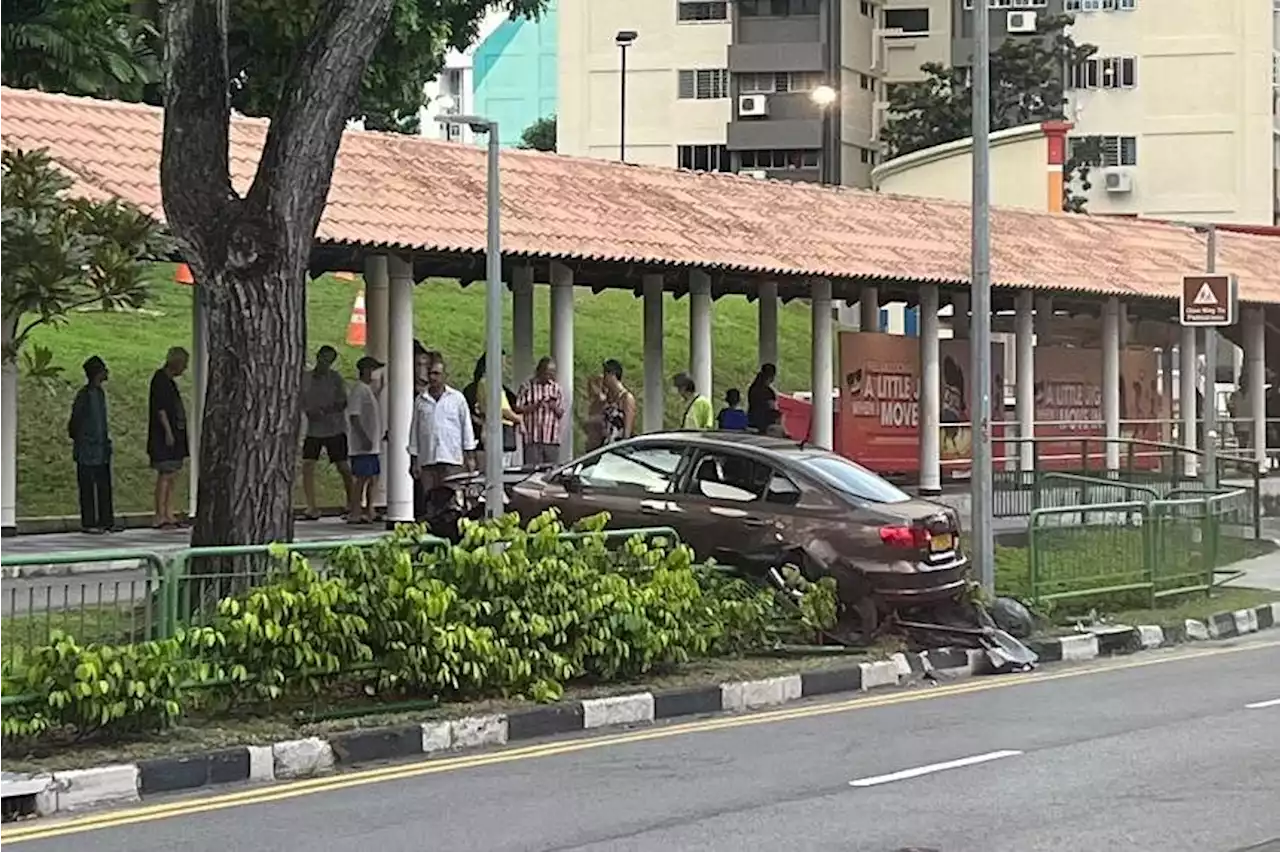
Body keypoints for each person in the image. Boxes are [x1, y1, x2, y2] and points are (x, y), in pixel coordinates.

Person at [408, 354, 476, 497]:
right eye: (430, 373)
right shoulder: (420, 400)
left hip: (451, 458)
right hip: (428, 459)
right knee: (430, 499)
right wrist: (414, 461)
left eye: (437, 374)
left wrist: (470, 457)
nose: (433, 377)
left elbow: (466, 428)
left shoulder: (457, 399)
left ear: (445, 375)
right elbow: (415, 431)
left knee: (451, 498)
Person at [300, 345, 354, 520]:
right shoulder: (306, 379)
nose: (325, 362)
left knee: (343, 467)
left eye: (329, 360)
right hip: (314, 430)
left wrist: (326, 410)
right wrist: (309, 410)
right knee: (308, 464)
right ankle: (311, 506)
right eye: (323, 358)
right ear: (318, 357)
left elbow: (343, 402)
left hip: (334, 428)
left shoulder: (335, 379)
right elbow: (300, 399)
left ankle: (352, 502)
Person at [67, 355, 117, 534]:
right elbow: (75, 422)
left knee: (104, 486)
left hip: (101, 448)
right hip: (87, 448)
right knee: (87, 487)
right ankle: (89, 522)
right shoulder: (84, 395)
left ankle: (106, 520)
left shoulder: (99, 394)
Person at [147, 347, 189, 529]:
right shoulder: (160, 381)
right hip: (164, 435)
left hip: (176, 434)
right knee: (165, 474)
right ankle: (160, 514)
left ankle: (169, 512)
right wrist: (168, 431)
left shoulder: (170, 382)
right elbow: (160, 409)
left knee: (173, 474)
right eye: (184, 365)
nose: (185, 369)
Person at [464, 353, 520, 470]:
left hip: (490, 432)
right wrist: (520, 419)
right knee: (500, 471)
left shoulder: (483, 383)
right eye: (501, 363)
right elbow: (502, 410)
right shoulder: (491, 384)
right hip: (500, 432)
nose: (503, 367)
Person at [346, 355, 384, 524]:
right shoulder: (359, 390)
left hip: (372, 445)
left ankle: (369, 509)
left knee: (373, 478)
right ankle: (355, 511)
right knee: (361, 479)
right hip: (362, 446)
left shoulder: (367, 390)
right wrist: (364, 438)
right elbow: (354, 416)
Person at [515, 356, 565, 466]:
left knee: (551, 472)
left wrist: (553, 406)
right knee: (531, 471)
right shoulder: (527, 387)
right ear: (539, 371)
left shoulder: (557, 389)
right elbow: (518, 408)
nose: (549, 376)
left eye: (552, 373)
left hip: (551, 440)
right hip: (532, 439)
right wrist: (535, 406)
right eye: (547, 373)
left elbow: (561, 412)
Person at [588, 359, 636, 450]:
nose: (604, 378)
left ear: (612, 375)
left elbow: (628, 430)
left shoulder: (626, 398)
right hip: (606, 445)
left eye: (606, 374)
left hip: (618, 446)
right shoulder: (609, 399)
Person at [747, 363, 780, 433]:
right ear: (772, 377)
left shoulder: (752, 388)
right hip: (765, 424)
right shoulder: (769, 392)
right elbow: (772, 408)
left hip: (751, 420)